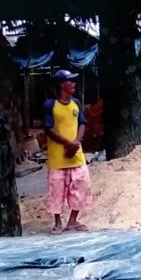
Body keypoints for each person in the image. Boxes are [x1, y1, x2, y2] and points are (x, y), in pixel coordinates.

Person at [44, 69, 92, 235]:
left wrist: (76, 142)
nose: (73, 84)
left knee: (81, 185)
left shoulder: (76, 103)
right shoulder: (51, 105)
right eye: (69, 81)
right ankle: (57, 222)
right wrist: (67, 143)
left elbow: (82, 123)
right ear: (61, 85)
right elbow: (49, 129)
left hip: (76, 154)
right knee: (57, 189)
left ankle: (73, 220)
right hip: (58, 156)